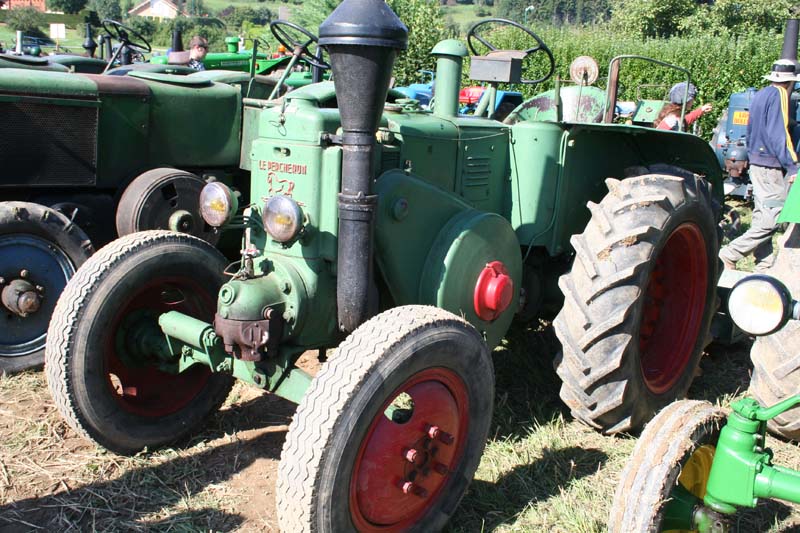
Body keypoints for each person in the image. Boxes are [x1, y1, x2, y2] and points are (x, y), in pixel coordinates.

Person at [719, 58, 799, 270]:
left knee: (762, 214)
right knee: (774, 216)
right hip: (769, 165)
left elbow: (754, 130)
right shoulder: (780, 95)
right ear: (791, 81)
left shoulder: (761, 94)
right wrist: (792, 164)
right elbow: (778, 133)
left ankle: (764, 264)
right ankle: (729, 254)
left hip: (756, 159)